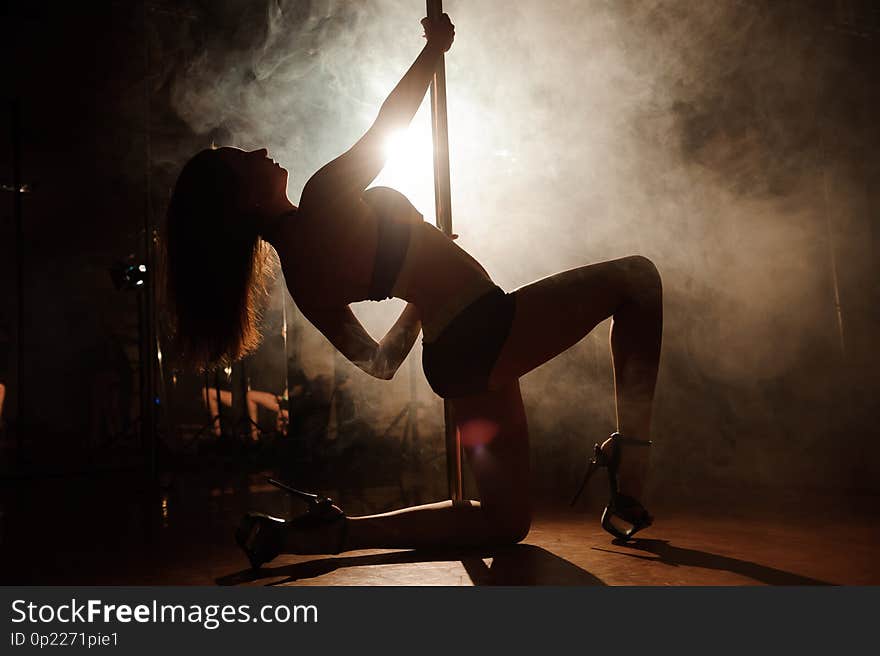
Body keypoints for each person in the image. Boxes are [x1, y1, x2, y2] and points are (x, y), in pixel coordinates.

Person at [164, 13, 662, 567]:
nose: (260, 153)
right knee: (637, 280)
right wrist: (433, 50)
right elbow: (390, 126)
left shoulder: (303, 281)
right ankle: (631, 470)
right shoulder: (322, 196)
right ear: (243, 202)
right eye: (245, 161)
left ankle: (331, 533)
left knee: (505, 523)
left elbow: (379, 363)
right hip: (481, 329)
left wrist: (417, 299)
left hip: (454, 358)